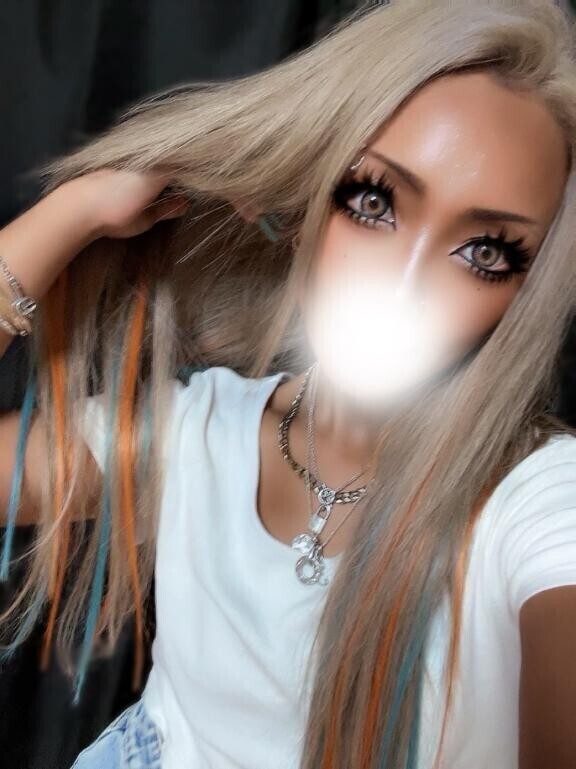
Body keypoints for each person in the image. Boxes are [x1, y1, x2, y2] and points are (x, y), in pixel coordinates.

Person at [1, 0, 576, 767]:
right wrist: (77, 211)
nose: (403, 286)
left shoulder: (540, 501)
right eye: (372, 201)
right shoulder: (194, 432)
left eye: (487, 252)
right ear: (304, 203)